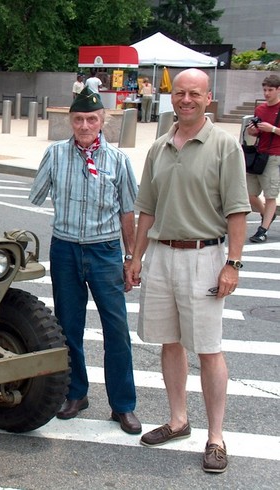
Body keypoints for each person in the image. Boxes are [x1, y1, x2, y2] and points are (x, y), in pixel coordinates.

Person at [126, 69, 250, 474]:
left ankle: (216, 437)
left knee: (209, 349)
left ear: (207, 97)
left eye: (194, 93)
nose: (186, 99)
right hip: (163, 255)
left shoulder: (224, 146)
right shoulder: (159, 147)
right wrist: (136, 257)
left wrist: (232, 263)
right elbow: (146, 209)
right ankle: (178, 419)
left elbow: (237, 211)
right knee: (169, 342)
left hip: (206, 258)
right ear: (171, 97)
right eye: (179, 93)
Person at [29, 86, 141, 435]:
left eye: (92, 118)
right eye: (78, 119)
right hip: (64, 249)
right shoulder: (56, 154)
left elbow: (127, 213)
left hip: (105, 251)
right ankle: (76, 393)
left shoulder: (118, 161)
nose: (84, 125)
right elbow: (36, 195)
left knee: (117, 330)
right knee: (67, 327)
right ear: (70, 121)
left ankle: (122, 405)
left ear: (103, 120)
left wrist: (130, 257)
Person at [246, 74, 280, 243]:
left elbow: (272, 130)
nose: (267, 93)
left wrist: (272, 129)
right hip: (259, 153)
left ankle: (263, 229)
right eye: (265, 90)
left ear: (278, 90)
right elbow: (256, 132)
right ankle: (267, 214)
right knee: (249, 193)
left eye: (270, 90)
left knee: (270, 195)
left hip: (276, 155)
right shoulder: (260, 109)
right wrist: (253, 131)